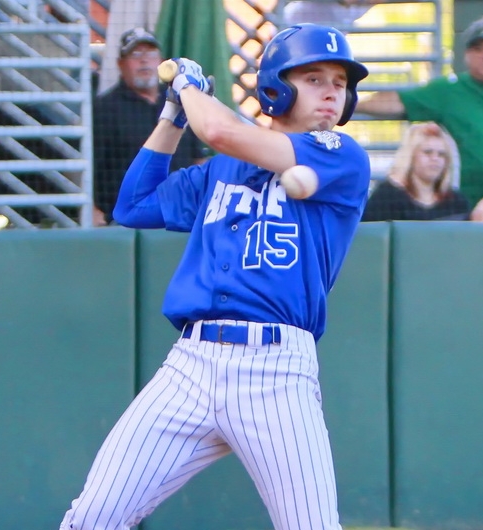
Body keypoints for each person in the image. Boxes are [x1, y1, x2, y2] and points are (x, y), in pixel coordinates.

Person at [60, 23, 371, 530]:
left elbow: (223, 130)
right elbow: (132, 205)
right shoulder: (220, 170)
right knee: (93, 517)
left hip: (276, 371)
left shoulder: (343, 155)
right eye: (314, 78)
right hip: (191, 365)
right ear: (277, 87)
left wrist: (188, 86)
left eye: (340, 82)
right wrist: (172, 116)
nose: (332, 92)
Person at [356, 15, 483, 205]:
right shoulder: (448, 91)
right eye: (478, 49)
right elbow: (397, 102)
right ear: (467, 55)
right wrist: (351, 104)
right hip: (468, 205)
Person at [92, 27, 208, 226]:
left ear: (161, 61)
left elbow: (199, 158)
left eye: (151, 54)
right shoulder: (104, 108)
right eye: (136, 54)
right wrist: (94, 211)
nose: (144, 61)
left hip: (184, 213)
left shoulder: (182, 99)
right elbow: (91, 167)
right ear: (121, 64)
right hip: (129, 218)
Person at [362, 121, 469, 221]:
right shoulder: (386, 197)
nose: (435, 159)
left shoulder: (456, 202)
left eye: (441, 154)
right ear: (411, 156)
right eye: (428, 152)